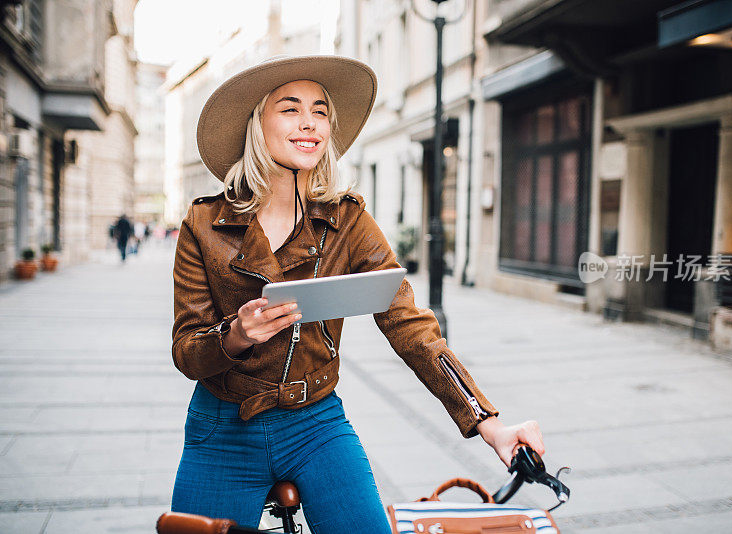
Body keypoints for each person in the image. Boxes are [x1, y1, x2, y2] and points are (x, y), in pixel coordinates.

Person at [170, 55, 545, 533]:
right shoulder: (203, 223)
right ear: (256, 123)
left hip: (316, 424)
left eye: (320, 110)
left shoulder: (347, 221)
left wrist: (488, 422)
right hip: (222, 426)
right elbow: (186, 352)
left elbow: (409, 323)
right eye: (290, 108)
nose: (310, 122)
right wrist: (236, 335)